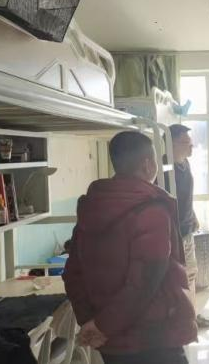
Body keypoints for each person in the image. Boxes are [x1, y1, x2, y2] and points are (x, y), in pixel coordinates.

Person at [63, 131, 196, 364]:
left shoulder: (93, 207)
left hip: (111, 342)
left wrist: (91, 322)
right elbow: (145, 281)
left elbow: (73, 274)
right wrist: (102, 325)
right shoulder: (151, 211)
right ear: (147, 165)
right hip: (152, 337)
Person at [167, 124, 209, 330]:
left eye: (191, 142)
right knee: (183, 276)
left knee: (191, 274)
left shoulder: (184, 164)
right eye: (186, 142)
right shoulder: (165, 169)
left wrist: (193, 215)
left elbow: (185, 197)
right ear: (171, 144)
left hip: (186, 229)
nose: (191, 146)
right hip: (173, 233)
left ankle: (191, 315)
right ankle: (187, 318)